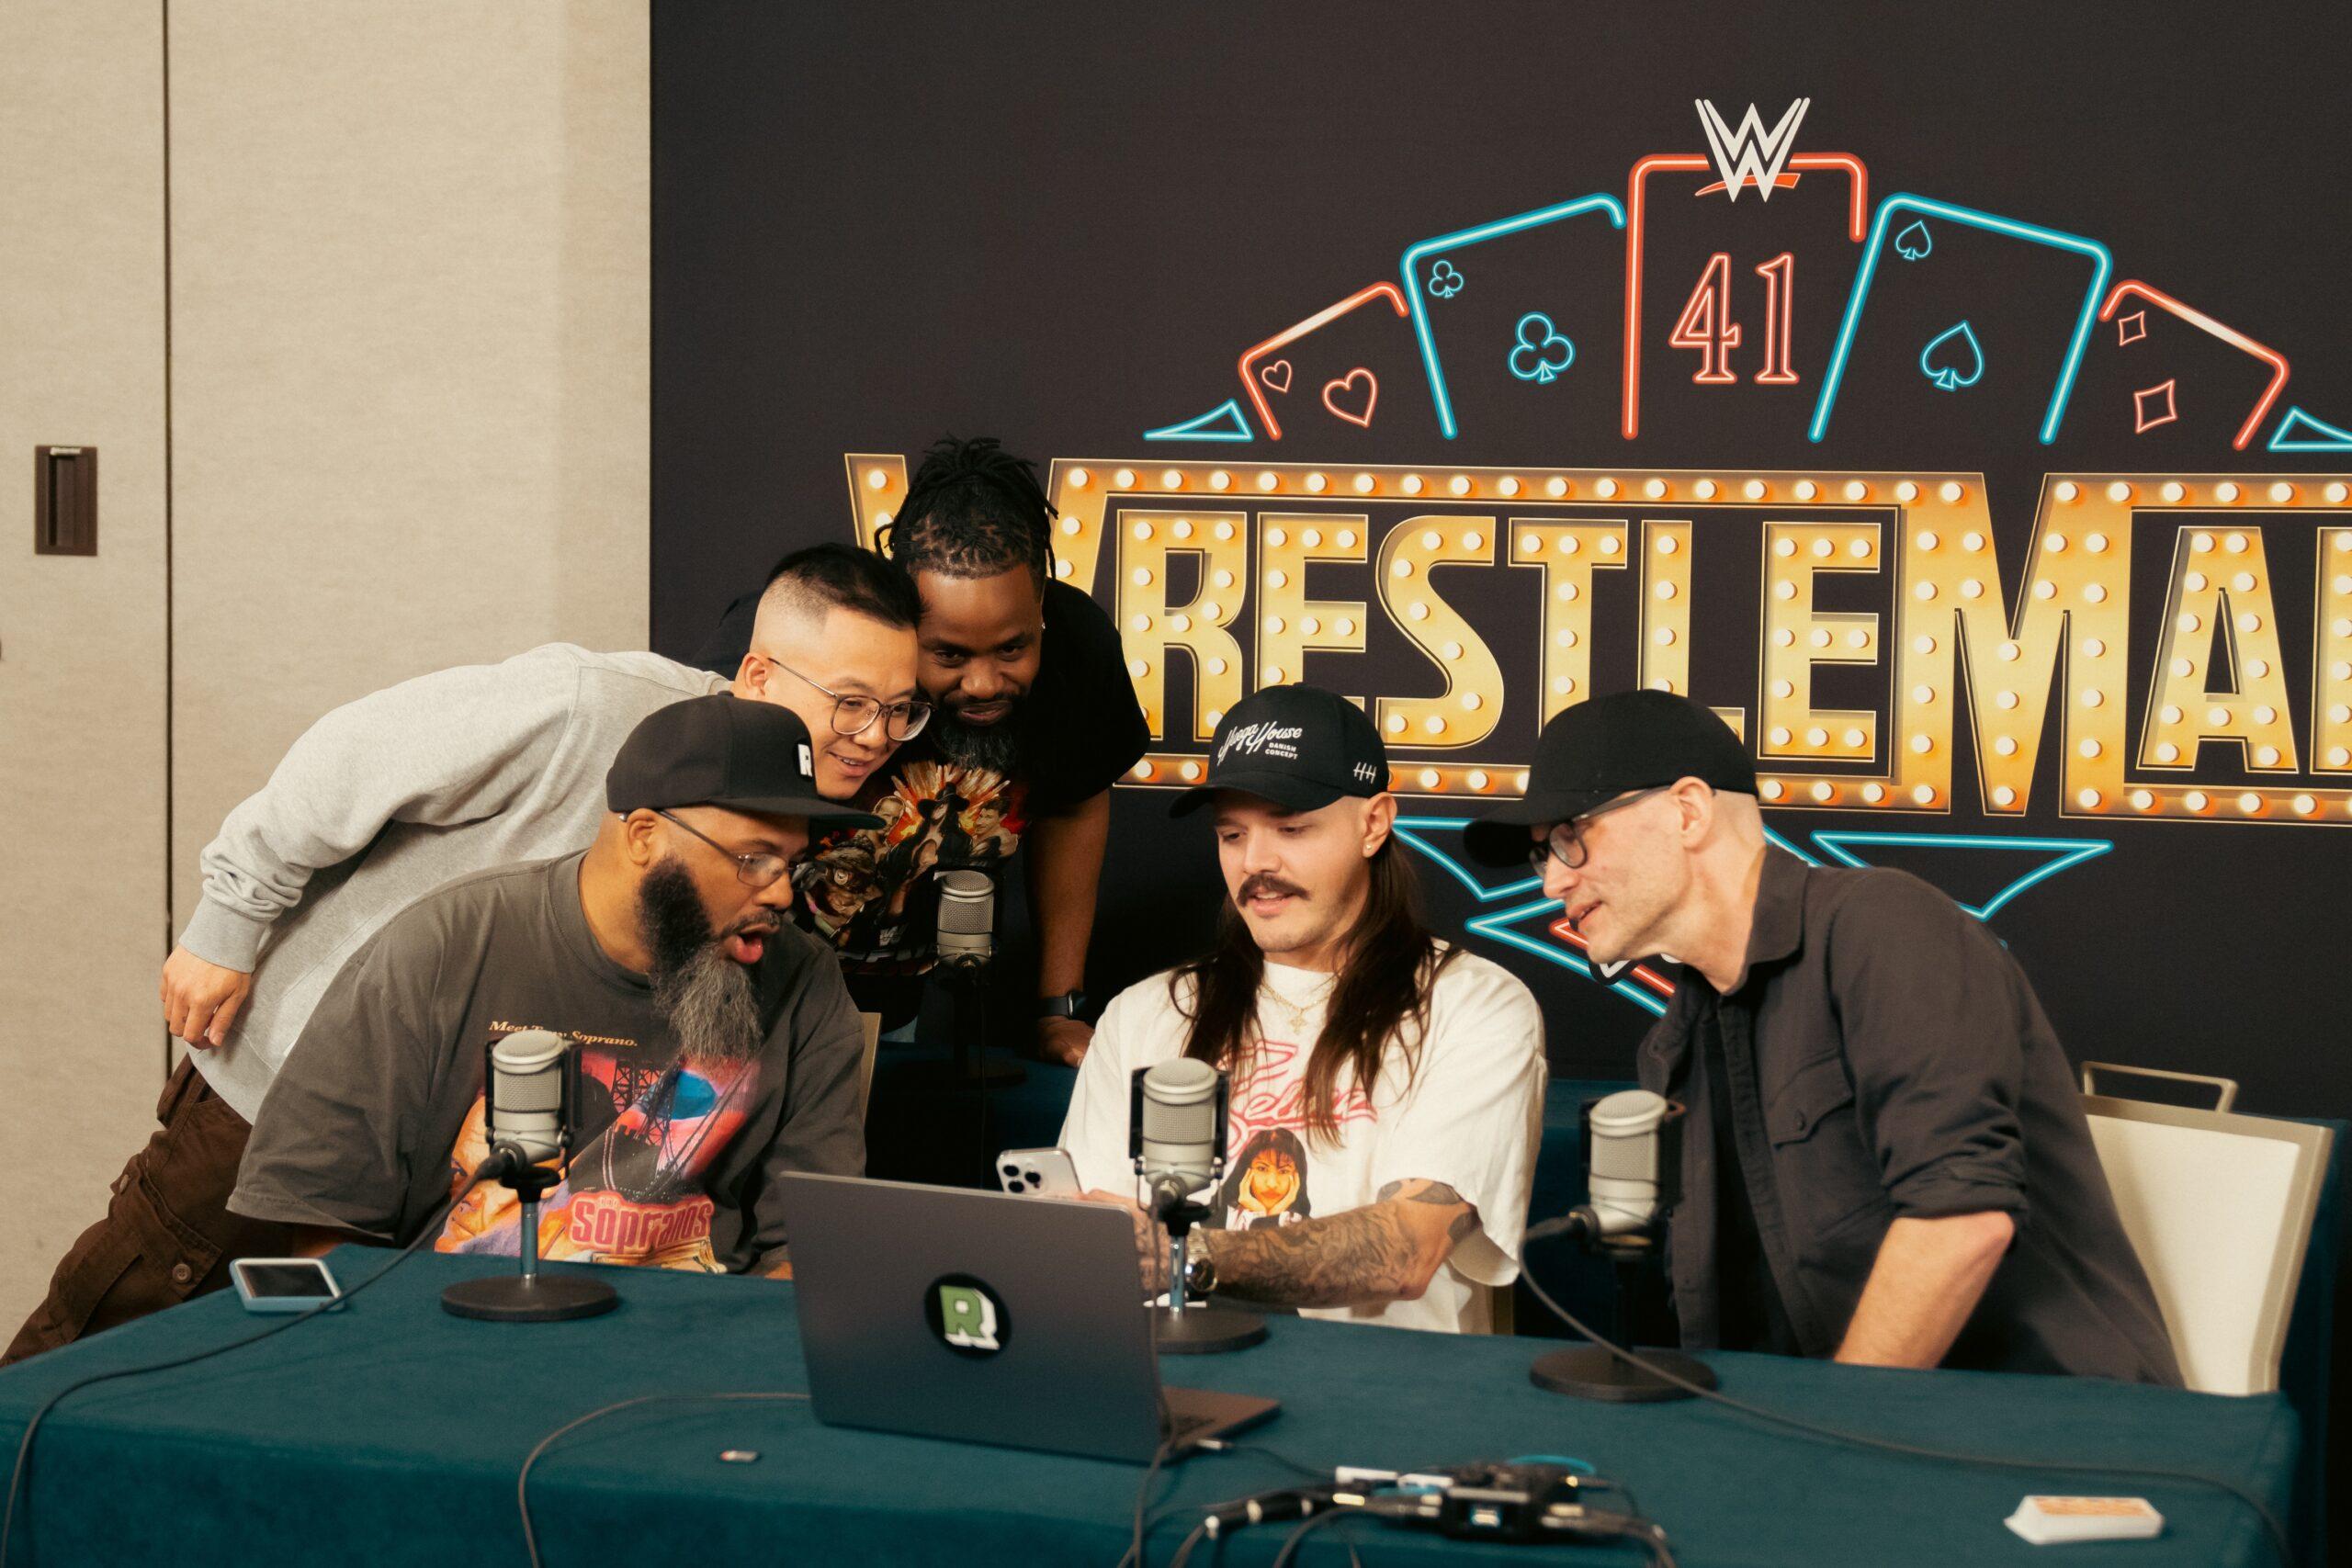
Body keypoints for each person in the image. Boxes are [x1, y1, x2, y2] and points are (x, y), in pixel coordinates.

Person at [5, 544, 922, 1364]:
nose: (875, 735)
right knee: (95, 1360)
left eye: (899, 710)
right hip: (282, 1090)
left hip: (468, 1171)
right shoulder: (592, 705)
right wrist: (226, 921)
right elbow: (350, 758)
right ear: (758, 672)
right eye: (849, 702)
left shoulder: (797, 834)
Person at [1463, 689, 2180, 1382]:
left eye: (1571, 838)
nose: (1552, 882)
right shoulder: (1676, 1044)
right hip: (1846, 1425)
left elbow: (1962, 1222)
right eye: (1541, 854)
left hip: (2049, 1421)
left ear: (1687, 811)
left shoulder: (1886, 927)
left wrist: (1834, 1428)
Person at [231, 697, 872, 1271]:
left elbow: (809, 1248)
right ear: (645, 836)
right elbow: (323, 1222)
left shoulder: (805, 983)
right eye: (754, 859)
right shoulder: (447, 947)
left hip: (691, 1346)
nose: (782, 893)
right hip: (458, 1335)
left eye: (792, 863)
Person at [1058, 685, 1546, 1335]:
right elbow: (1093, 1239)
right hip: (1175, 1376)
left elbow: (1408, 1248)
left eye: (1291, 828)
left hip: (1383, 1390)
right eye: (1232, 834)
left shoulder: (1475, 1004)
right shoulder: (1144, 1012)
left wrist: (1188, 1256)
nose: (1255, 863)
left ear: (1374, 823)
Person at [696, 437, 1150, 1066]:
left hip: (899, 1000)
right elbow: (701, 810)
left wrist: (1059, 1007)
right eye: (949, 654)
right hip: (754, 995)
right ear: (901, 611)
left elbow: (1074, 805)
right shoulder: (803, 637)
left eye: (1013, 648)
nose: (983, 683)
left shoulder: (1078, 648)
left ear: (1042, 607)